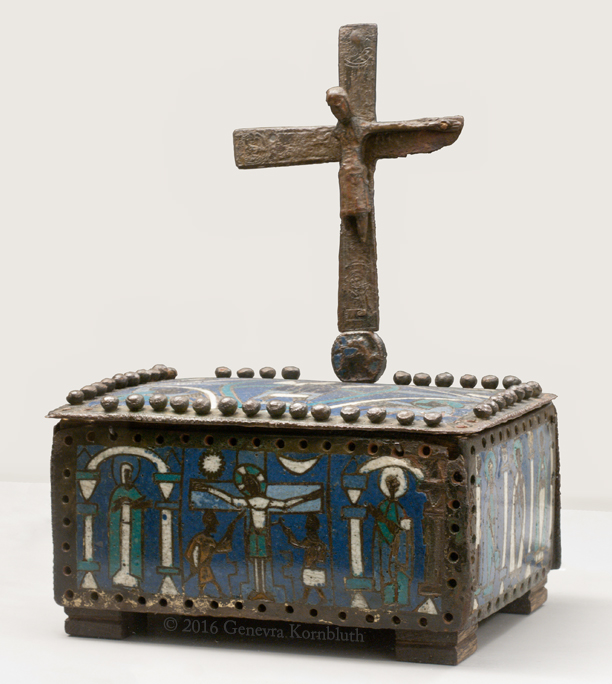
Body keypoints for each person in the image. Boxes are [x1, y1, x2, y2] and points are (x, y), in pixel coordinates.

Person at [185, 510, 242, 597]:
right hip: (203, 566)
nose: (216, 525)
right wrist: (195, 565)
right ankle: (211, 593)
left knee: (208, 581)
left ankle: (210, 593)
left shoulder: (210, 539)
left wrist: (229, 533)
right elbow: (190, 553)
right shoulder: (200, 538)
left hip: (205, 565)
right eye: (214, 524)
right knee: (207, 581)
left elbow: (219, 548)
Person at [280, 514, 328, 603]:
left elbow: (298, 544)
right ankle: (311, 598)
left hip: (310, 562)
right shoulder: (315, 538)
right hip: (310, 562)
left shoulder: (311, 539)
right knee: (310, 582)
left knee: (311, 581)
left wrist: (289, 534)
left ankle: (319, 598)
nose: (306, 531)